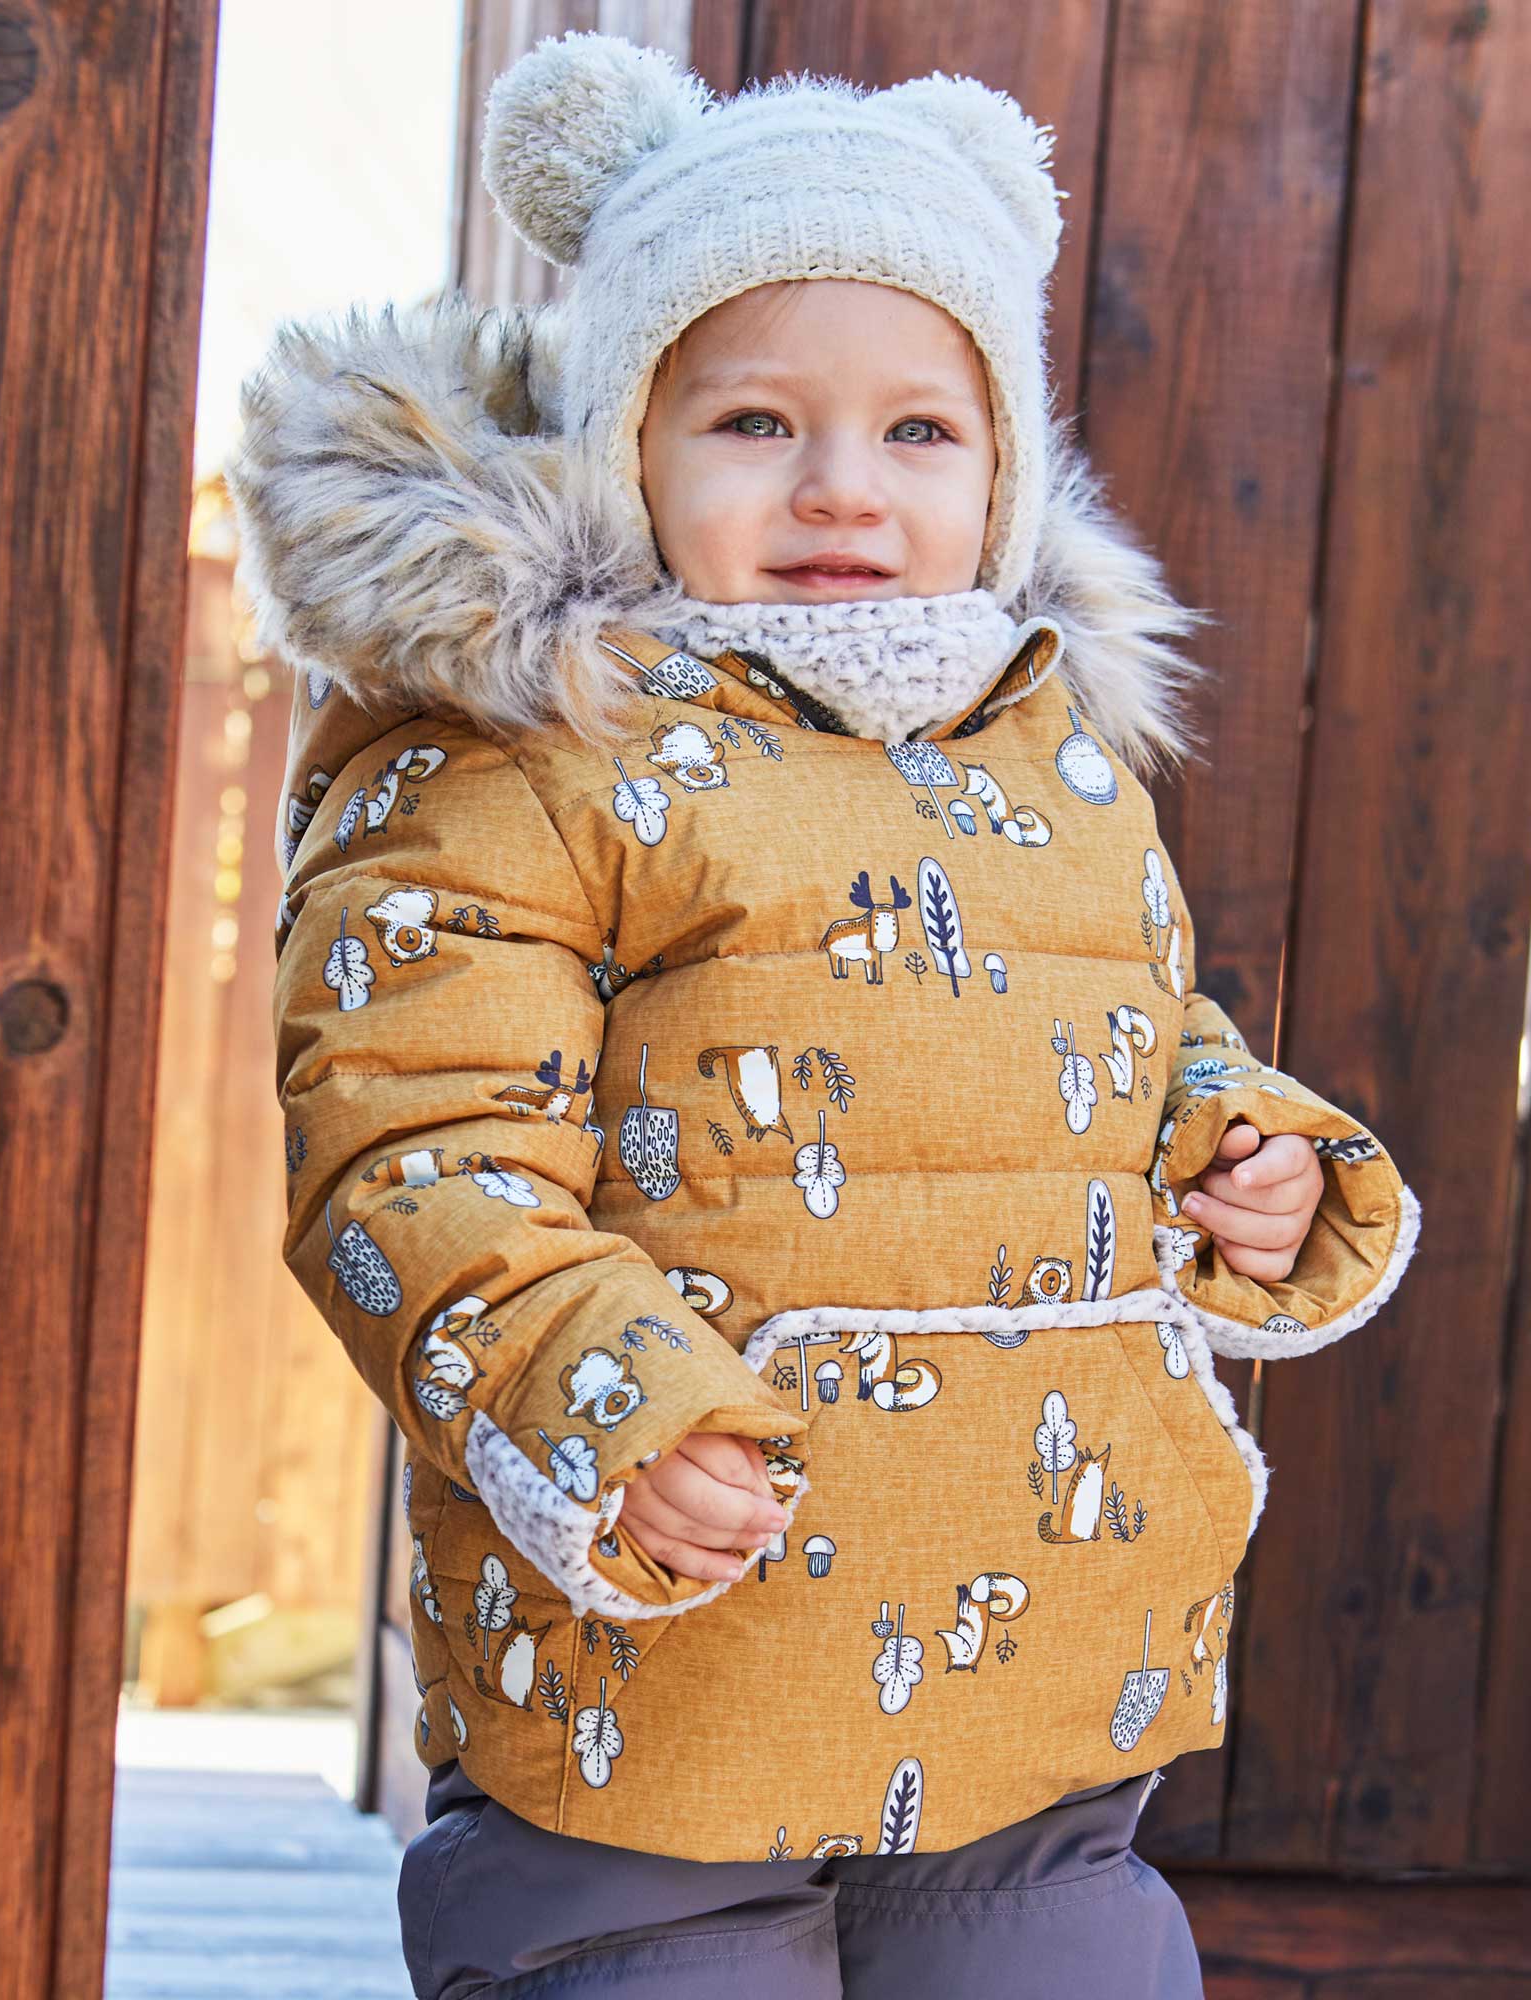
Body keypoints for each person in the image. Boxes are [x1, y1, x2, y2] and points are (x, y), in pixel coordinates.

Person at [227, 31, 1422, 1998]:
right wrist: (598, 1399)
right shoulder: (528, 755)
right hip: (665, 1650)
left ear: (1005, 467)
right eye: (758, 422)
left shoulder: (1049, 754)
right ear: (627, 437)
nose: (840, 489)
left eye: (917, 434)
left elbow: (1112, 1035)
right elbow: (412, 1140)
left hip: (1033, 1636)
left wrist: (1231, 1152)